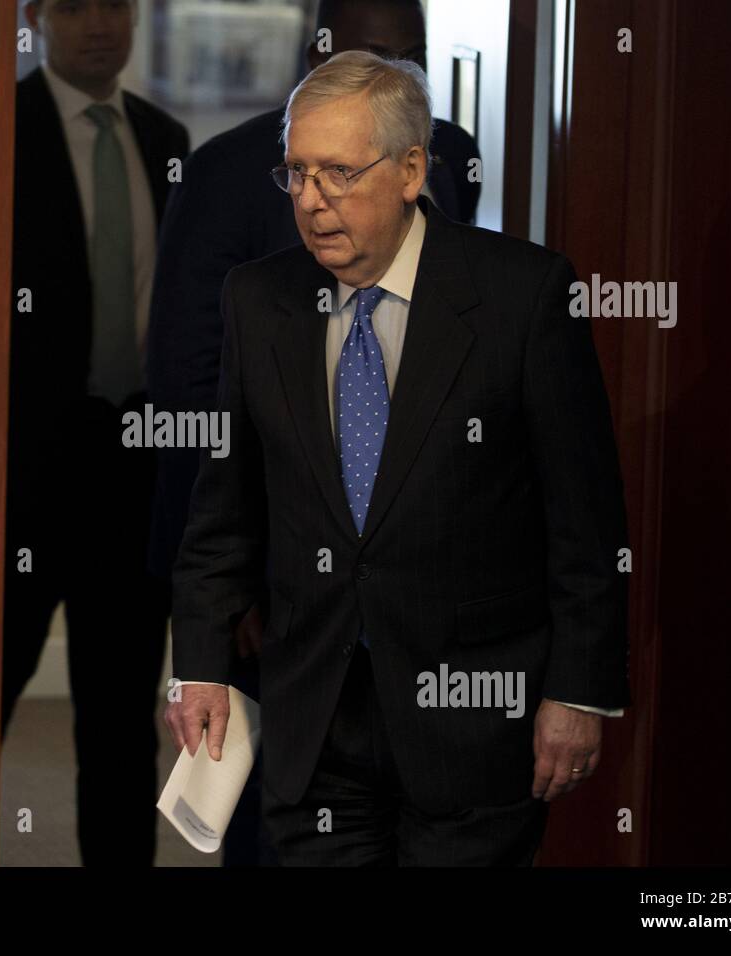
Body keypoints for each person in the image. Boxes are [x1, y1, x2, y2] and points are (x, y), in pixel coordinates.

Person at [165, 51, 630, 866]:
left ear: (412, 169)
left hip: (474, 721)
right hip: (316, 714)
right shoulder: (259, 300)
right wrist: (200, 669)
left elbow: (585, 523)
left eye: (339, 173)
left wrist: (577, 691)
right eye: (297, 173)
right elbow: (223, 512)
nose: (311, 202)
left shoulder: (524, 296)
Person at [147, 0, 480, 866]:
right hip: (278, 579)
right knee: (279, 810)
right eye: (379, 55)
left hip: (415, 587)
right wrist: (230, 597)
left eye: (416, 58)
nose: (401, 81)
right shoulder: (225, 173)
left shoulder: (448, 156)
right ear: (318, 50)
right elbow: (190, 394)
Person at [5, 0, 189, 866]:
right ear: (37, 18)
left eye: (114, 4)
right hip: (24, 474)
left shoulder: (167, 139)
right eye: (75, 6)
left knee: (120, 723)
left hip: (135, 470)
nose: (99, 25)